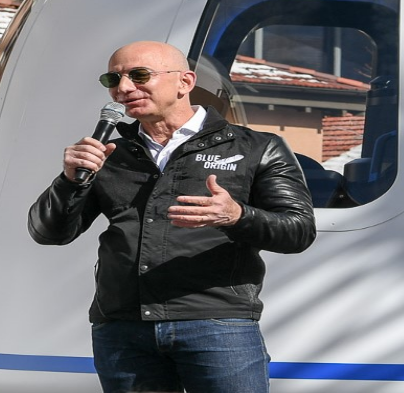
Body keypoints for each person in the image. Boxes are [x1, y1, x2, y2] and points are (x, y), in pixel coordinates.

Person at [28, 41, 315, 393]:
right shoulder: (109, 154)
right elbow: (49, 232)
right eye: (113, 79)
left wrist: (237, 215)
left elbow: (298, 231)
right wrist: (70, 181)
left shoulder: (256, 147)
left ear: (185, 82)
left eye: (139, 75)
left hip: (216, 325)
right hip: (123, 329)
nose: (123, 88)